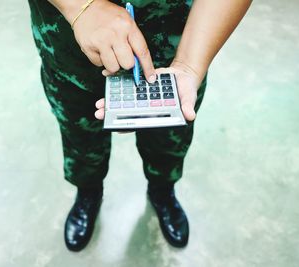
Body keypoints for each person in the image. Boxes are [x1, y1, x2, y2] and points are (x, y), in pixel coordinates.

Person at [27, 0, 252, 252]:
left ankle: (162, 190)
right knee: (80, 139)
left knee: (169, 142)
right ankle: (88, 192)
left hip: (177, 50)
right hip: (70, 47)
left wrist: (189, 64)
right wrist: (80, 6)